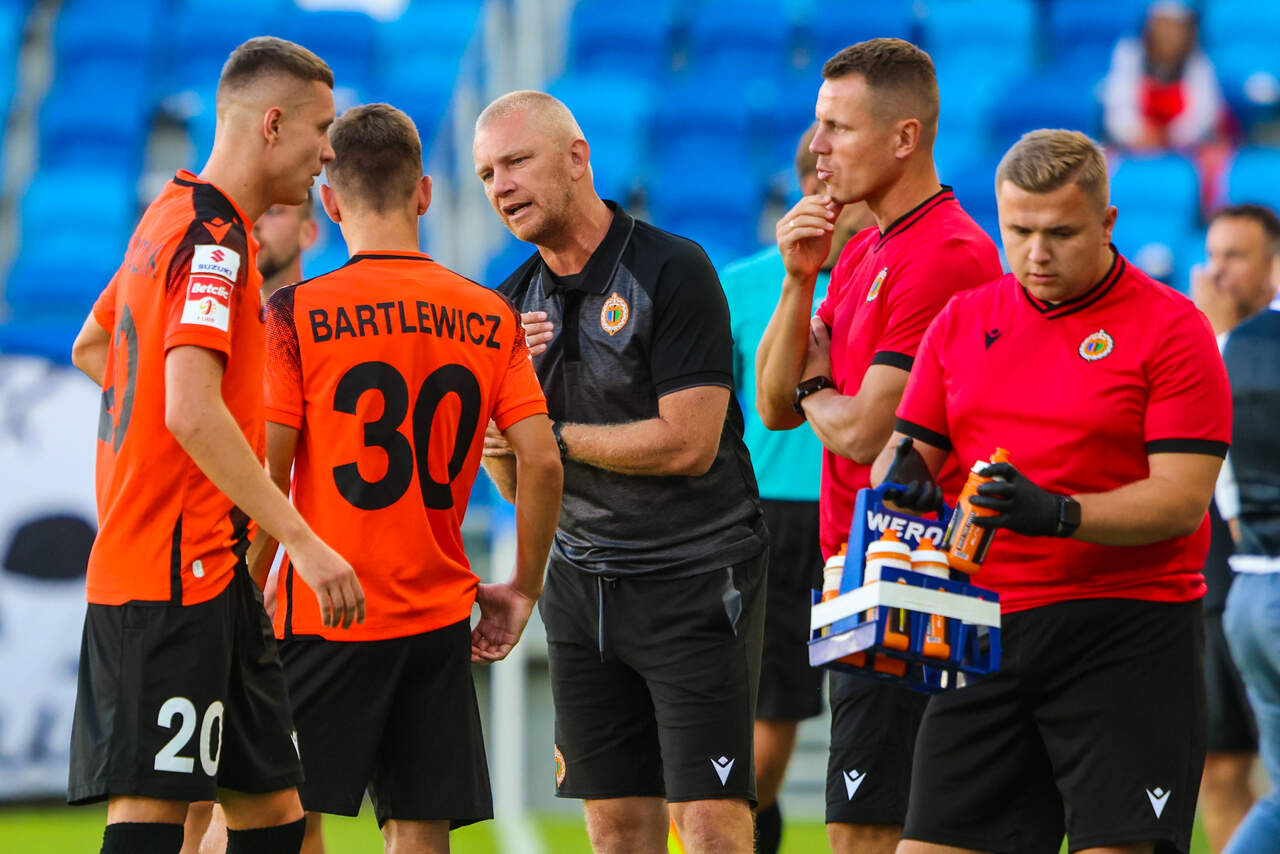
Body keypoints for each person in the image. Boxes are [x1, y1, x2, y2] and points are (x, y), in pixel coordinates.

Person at [879, 129, 1231, 854]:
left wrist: (1057, 513)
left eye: (1060, 233)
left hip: (1127, 627)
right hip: (984, 626)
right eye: (1019, 232)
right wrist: (902, 480)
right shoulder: (963, 320)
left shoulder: (1173, 328)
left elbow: (1182, 499)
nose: (1036, 253)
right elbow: (907, 452)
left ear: (1106, 223)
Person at [67, 37, 364, 854]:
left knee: (276, 817)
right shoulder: (211, 242)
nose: (328, 152)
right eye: (321, 129)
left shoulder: (168, 216)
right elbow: (191, 413)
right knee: (153, 820)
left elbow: (95, 348)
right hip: (169, 579)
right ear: (272, 124)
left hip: (209, 574)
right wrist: (303, 541)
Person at [250, 102, 561, 854]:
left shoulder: (294, 314)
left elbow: (269, 473)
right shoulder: (489, 314)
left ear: (329, 202)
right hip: (435, 616)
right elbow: (543, 460)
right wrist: (522, 588)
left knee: (280, 816)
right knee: (420, 828)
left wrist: (244, 593)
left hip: (323, 611)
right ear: (424, 193)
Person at [474, 90, 768, 854]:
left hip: (696, 579)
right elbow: (517, 486)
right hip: (581, 590)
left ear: (577, 158)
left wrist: (547, 437)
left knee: (709, 827)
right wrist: (502, 430)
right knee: (614, 833)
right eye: (486, 174)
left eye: (516, 161)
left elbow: (688, 443)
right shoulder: (505, 306)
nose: (501, 186)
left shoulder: (672, 267)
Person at [753, 38, 1002, 854]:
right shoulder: (863, 247)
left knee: (867, 833)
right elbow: (772, 406)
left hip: (917, 567)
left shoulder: (947, 255)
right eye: (817, 124)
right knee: (875, 828)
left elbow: (865, 434)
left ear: (904, 138)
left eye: (837, 127)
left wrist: (817, 390)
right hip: (859, 566)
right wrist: (798, 279)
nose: (816, 147)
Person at [719, 121, 870, 854]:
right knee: (768, 710)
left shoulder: (891, 280)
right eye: (820, 179)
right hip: (773, 517)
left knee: (874, 706)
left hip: (871, 514)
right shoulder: (742, 284)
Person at [183, 190, 323, 854]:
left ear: (311, 229)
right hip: (222, 574)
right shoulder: (212, 326)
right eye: (256, 212)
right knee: (201, 800)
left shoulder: (318, 328)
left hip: (298, 591)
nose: (262, 223)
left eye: (280, 210)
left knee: (295, 806)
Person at [1191, 204, 1280, 853]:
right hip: (1229, 587)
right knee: (1221, 767)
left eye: (1237, 256)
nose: (1218, 273)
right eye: (1212, 256)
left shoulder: (1231, 353)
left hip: (1246, 589)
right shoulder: (1212, 352)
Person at [1101, 1, 1229, 153]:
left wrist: (1171, 137)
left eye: (1175, 28)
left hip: (1182, 153)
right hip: (1133, 151)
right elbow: (1117, 105)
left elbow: (1203, 114)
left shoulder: (1199, 62)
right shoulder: (1130, 54)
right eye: (1161, 26)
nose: (1167, 34)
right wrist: (1136, 133)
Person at [256, 193, 320, 300]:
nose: (254, 223)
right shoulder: (226, 308)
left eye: (271, 211)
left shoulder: (329, 307)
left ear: (307, 233)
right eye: (249, 211)